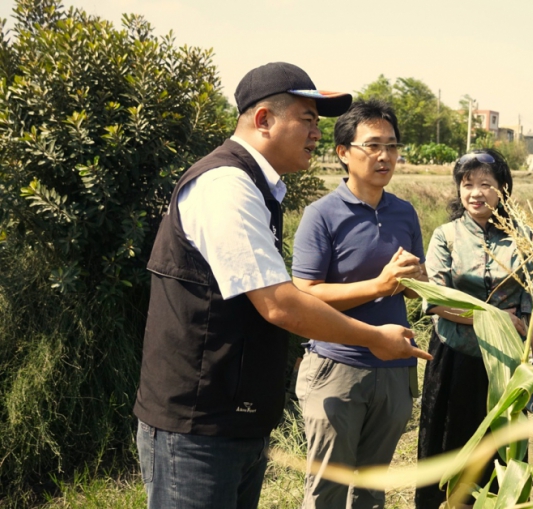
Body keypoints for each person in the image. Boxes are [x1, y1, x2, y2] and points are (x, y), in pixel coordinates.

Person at [133, 62, 430, 509]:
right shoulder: (226, 186)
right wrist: (374, 337)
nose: (316, 133)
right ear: (263, 119)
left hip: (234, 420)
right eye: (307, 120)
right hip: (198, 425)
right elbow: (282, 304)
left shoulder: (259, 189)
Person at [291, 98, 426, 509]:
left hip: (394, 369)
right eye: (372, 145)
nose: (385, 156)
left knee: (371, 490)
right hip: (337, 368)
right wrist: (379, 285)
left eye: (392, 145)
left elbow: (416, 288)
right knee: (327, 490)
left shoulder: (405, 213)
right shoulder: (321, 215)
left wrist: (418, 283)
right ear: (343, 152)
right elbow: (304, 294)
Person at [415, 149, 533, 509]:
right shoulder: (445, 236)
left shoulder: (524, 239)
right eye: (467, 184)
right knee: (450, 448)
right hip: (455, 357)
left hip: (506, 362)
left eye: (486, 184)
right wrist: (495, 318)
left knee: (501, 448)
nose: (476, 193)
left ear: (503, 189)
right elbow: (436, 300)